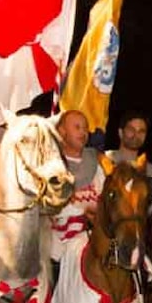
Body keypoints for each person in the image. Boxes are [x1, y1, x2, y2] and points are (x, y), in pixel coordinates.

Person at [50, 109, 108, 278]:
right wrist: (81, 211)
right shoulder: (50, 166)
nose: (83, 132)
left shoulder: (96, 166)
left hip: (92, 246)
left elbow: (105, 201)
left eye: (85, 128)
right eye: (77, 127)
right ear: (62, 131)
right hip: (58, 252)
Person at [105, 109, 152, 209]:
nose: (136, 135)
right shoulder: (106, 160)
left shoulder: (151, 172)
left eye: (141, 131)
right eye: (131, 130)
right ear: (120, 132)